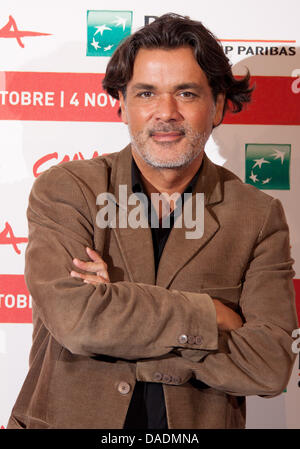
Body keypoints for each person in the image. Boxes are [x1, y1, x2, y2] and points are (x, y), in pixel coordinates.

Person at [7, 13, 297, 429]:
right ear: (122, 104)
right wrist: (211, 315)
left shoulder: (257, 215)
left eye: (186, 93)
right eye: (146, 93)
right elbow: (78, 322)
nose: (166, 112)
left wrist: (117, 306)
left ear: (217, 105)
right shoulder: (69, 190)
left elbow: (269, 366)